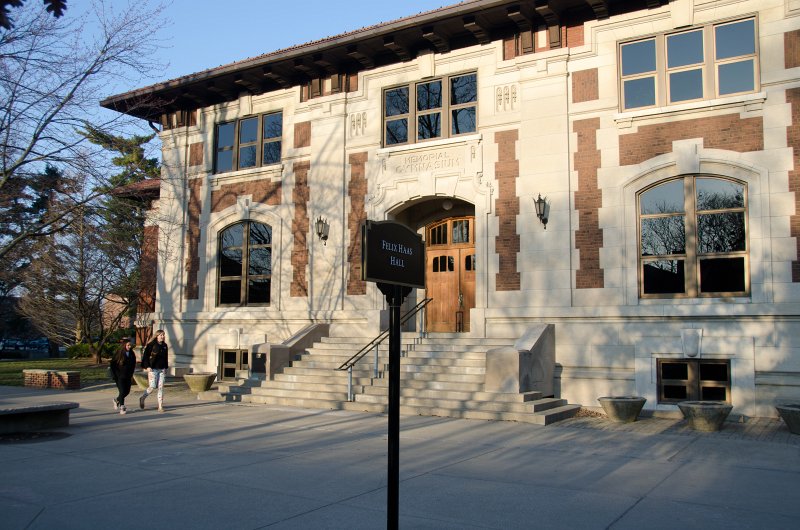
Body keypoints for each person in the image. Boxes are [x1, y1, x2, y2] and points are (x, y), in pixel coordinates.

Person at [139, 329, 169, 412]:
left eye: (163, 335)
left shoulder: (165, 345)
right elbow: (145, 357)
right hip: (153, 369)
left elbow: (165, 358)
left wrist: (166, 367)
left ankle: (160, 406)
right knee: (152, 387)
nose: (163, 336)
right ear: (157, 336)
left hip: (162, 369)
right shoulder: (151, 345)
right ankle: (143, 397)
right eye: (161, 335)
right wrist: (147, 366)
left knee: (161, 387)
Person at [110, 339, 137, 415]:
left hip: (128, 376)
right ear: (124, 345)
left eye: (130, 345)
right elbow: (112, 365)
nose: (129, 346)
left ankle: (117, 400)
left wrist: (132, 373)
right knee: (122, 391)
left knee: (127, 391)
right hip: (119, 376)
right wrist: (114, 375)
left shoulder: (132, 353)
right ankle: (122, 407)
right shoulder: (118, 353)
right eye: (128, 345)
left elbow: (133, 364)